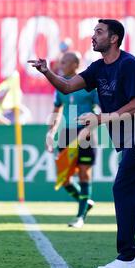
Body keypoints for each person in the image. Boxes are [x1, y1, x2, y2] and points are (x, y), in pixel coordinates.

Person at [29, 19, 135, 268]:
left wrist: (101, 118)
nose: (92, 36)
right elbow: (68, 86)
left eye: (99, 32)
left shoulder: (130, 65)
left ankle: (127, 257)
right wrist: (46, 72)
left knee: (123, 190)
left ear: (114, 38)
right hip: (129, 137)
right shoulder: (98, 67)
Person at [46, 52, 99, 228]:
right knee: (64, 178)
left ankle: (80, 216)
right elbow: (56, 110)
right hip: (66, 133)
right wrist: (51, 132)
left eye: (65, 62)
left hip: (85, 133)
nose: (61, 65)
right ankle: (86, 202)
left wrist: (92, 124)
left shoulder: (89, 84)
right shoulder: (60, 86)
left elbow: (102, 108)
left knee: (84, 173)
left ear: (76, 63)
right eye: (61, 62)